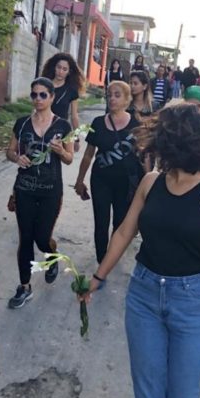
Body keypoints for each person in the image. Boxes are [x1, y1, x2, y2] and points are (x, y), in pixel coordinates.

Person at [81, 103, 200, 398]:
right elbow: (123, 231)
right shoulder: (151, 182)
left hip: (193, 297)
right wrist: (97, 277)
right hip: (144, 294)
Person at [6, 77, 73, 309]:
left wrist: (61, 151)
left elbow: (69, 159)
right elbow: (10, 151)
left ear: (52, 97)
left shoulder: (63, 126)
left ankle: (52, 256)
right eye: (34, 95)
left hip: (50, 191)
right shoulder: (22, 123)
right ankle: (25, 286)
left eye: (43, 95)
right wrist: (17, 157)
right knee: (25, 238)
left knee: (41, 238)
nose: (37, 99)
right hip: (24, 188)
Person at [75, 81, 142, 263]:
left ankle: (111, 257)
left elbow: (144, 156)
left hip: (125, 184)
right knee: (101, 223)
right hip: (101, 181)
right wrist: (79, 180)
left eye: (117, 95)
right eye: (109, 95)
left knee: (120, 223)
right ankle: (101, 260)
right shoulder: (98, 122)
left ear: (127, 100)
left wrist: (145, 185)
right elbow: (89, 155)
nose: (112, 98)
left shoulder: (136, 124)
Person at [41, 52, 85, 152]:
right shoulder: (44, 85)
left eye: (64, 69)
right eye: (59, 67)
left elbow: (74, 116)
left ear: (69, 72)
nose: (60, 71)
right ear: (54, 67)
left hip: (59, 131)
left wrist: (76, 138)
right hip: (42, 128)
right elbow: (35, 108)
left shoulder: (72, 90)